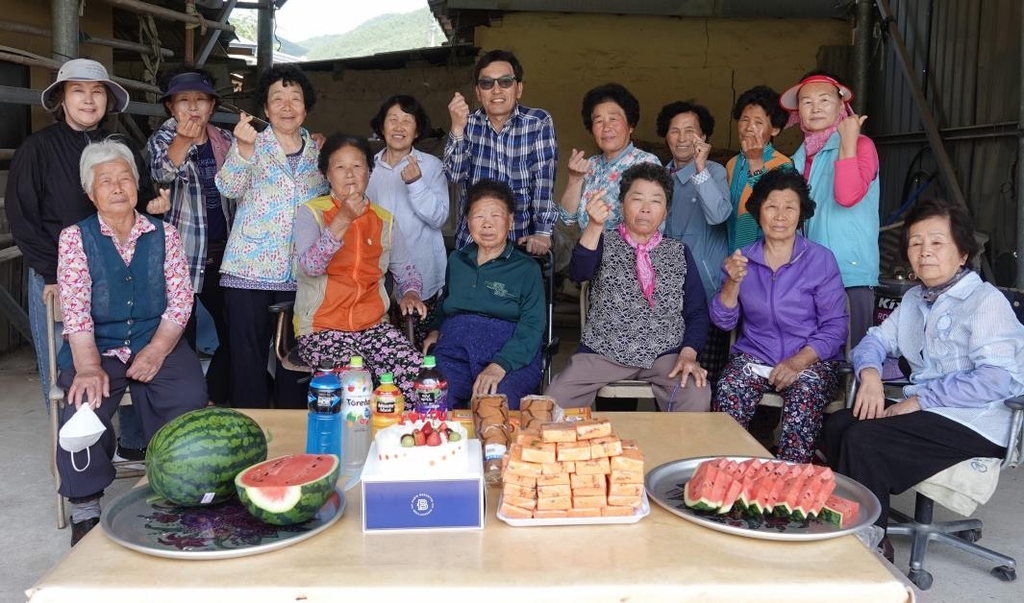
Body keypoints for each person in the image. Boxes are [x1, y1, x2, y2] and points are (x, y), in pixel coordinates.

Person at [824, 198, 1024, 558]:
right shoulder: (917, 298)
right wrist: (869, 373)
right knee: (838, 424)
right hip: (929, 411)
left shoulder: (984, 301)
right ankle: (855, 519)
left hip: (975, 419)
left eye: (936, 242)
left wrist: (920, 400)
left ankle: (870, 547)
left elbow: (997, 380)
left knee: (864, 439)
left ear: (962, 253)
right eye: (916, 243)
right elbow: (875, 340)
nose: (924, 252)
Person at [5, 58, 166, 460]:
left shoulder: (121, 146)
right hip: (58, 273)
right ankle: (75, 450)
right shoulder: (38, 149)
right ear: (61, 98)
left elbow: (141, 195)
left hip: (121, 268)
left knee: (130, 345)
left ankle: (133, 443)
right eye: (78, 91)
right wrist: (50, 272)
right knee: (67, 364)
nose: (88, 99)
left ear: (108, 100)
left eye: (97, 92)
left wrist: (154, 202)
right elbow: (22, 218)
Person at [55, 140, 207, 546]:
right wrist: (87, 365)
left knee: (188, 395)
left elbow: (180, 301)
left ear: (137, 186)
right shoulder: (75, 238)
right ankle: (86, 507)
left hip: (154, 338)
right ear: (91, 193)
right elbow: (76, 310)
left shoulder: (164, 233)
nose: (118, 187)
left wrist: (157, 350)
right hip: (97, 347)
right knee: (82, 406)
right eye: (106, 181)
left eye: (125, 178)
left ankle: (176, 487)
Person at [545, 163, 712, 412]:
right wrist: (593, 226)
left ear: (666, 211)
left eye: (656, 201)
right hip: (602, 352)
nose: (646, 208)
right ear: (622, 204)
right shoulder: (603, 240)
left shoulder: (678, 252)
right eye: (637, 199)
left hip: (665, 355)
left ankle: (677, 451)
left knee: (696, 395)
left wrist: (688, 354)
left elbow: (697, 311)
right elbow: (578, 273)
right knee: (554, 399)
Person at [712, 169, 848, 463]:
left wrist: (797, 362)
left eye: (790, 207)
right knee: (729, 386)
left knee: (804, 396)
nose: (780, 215)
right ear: (759, 210)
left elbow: (836, 327)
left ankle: (790, 483)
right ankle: (727, 473)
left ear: (801, 213)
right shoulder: (743, 258)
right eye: (772, 206)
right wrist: (732, 282)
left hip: (811, 360)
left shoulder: (820, 260)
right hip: (756, 355)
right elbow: (723, 321)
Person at [215, 65, 327, 409]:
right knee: (246, 361)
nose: (287, 106)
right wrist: (243, 150)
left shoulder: (320, 152)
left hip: (301, 273)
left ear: (305, 108)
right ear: (265, 109)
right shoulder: (252, 144)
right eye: (277, 99)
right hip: (248, 271)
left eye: (295, 98)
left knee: (296, 360)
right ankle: (254, 430)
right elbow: (229, 187)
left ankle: (292, 432)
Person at [294, 134, 426, 402]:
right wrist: (342, 221)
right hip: (323, 327)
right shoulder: (311, 213)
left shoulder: (384, 220)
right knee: (356, 390)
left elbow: (407, 272)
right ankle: (348, 444)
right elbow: (311, 266)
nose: (350, 174)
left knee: (420, 381)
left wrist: (411, 292)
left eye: (357, 166)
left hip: (374, 326)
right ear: (326, 174)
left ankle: (404, 441)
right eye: (340, 167)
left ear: (369, 172)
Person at [147, 66, 235, 405]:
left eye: (201, 100)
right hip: (180, 254)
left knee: (234, 331)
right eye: (184, 101)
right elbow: (161, 171)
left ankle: (213, 395)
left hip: (224, 252)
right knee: (182, 333)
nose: (193, 108)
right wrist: (183, 140)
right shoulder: (164, 139)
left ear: (212, 105)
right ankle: (184, 403)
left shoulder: (224, 139)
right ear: (171, 107)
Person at [423, 179, 545, 410]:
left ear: (510, 221)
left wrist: (500, 365)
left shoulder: (527, 269)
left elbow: (533, 325)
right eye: (478, 216)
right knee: (433, 398)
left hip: (508, 352)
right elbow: (446, 301)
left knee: (496, 405)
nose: (487, 224)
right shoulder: (457, 260)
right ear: (468, 222)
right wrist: (436, 329)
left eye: (495, 216)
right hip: (455, 350)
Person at [780, 71, 880, 348]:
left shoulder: (862, 145)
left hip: (850, 273)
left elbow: (847, 195)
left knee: (852, 363)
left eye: (824, 100)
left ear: (841, 105)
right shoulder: (799, 158)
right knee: (814, 362)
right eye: (807, 102)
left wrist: (848, 140)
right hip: (806, 274)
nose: (815, 108)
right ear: (798, 112)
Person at [444, 49, 557, 255]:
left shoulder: (537, 122)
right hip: (473, 239)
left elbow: (543, 182)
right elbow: (454, 175)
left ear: (518, 88)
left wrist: (542, 232)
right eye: (487, 83)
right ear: (478, 93)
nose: (496, 90)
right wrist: (457, 129)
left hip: (520, 240)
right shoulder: (467, 123)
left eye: (505, 81)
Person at [657, 100, 731, 387]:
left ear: (704, 137)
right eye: (675, 131)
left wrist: (700, 168)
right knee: (670, 376)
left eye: (691, 130)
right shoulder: (658, 177)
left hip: (708, 290)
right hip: (666, 296)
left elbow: (719, 214)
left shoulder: (714, 171)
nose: (682, 137)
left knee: (706, 378)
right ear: (666, 136)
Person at [365, 94, 448, 346]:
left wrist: (416, 184)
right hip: (376, 277)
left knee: (419, 349)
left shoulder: (431, 166)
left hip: (422, 273)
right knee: (379, 349)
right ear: (382, 127)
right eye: (392, 119)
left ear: (417, 130)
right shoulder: (367, 168)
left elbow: (439, 218)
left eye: (407, 120)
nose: (399, 127)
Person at [559, 83, 661, 231]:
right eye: (599, 121)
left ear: (630, 125)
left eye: (613, 119)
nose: (606, 127)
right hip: (589, 252)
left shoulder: (647, 163)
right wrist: (575, 179)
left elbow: (651, 223)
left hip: (628, 253)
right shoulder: (591, 165)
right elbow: (566, 219)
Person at [724, 85, 793, 252]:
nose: (749, 128)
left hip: (763, 255)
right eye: (744, 120)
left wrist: (756, 162)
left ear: (775, 129)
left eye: (758, 122)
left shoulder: (782, 164)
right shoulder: (732, 163)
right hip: (733, 254)